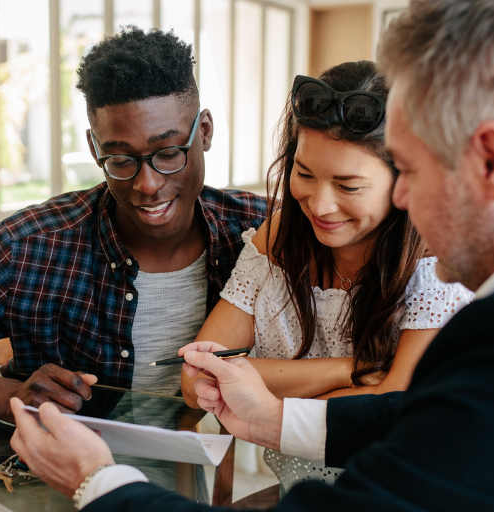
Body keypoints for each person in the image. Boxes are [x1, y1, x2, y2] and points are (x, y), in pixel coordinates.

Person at [6, 0, 494, 510]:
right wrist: (273, 421)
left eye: (407, 169)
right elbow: (428, 415)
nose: (401, 202)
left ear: (492, 160)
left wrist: (99, 480)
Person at [0, 27, 266, 422]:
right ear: (94, 149)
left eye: (168, 152)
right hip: (45, 478)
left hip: (198, 479)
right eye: (120, 159)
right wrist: (12, 397)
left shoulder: (261, 234)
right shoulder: (30, 245)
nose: (148, 184)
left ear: (206, 132)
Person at [180, 60, 472, 492]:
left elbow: (393, 407)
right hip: (296, 496)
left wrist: (262, 391)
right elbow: (198, 380)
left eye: (348, 186)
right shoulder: (277, 238)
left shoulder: (434, 260)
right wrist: (350, 370)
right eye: (304, 174)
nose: (319, 205)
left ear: (404, 180)